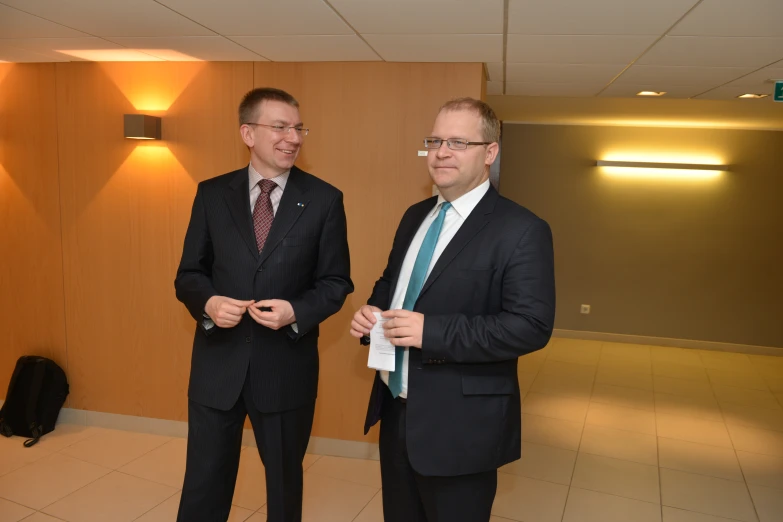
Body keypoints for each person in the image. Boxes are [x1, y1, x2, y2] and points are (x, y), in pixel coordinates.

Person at [350, 97, 555, 522]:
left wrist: (432, 332)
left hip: (461, 425)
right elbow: (393, 282)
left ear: (490, 153)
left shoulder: (521, 230)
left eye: (458, 142)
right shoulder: (415, 215)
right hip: (397, 409)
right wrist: (372, 311)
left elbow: (530, 327)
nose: (441, 152)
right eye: (435, 140)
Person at [175, 87, 353, 522]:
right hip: (218, 366)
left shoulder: (325, 200)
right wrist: (211, 303)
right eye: (280, 127)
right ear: (248, 133)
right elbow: (189, 275)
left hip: (285, 368)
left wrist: (297, 312)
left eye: (298, 127)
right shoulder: (211, 194)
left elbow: (336, 282)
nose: (293, 137)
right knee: (204, 482)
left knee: (284, 484)